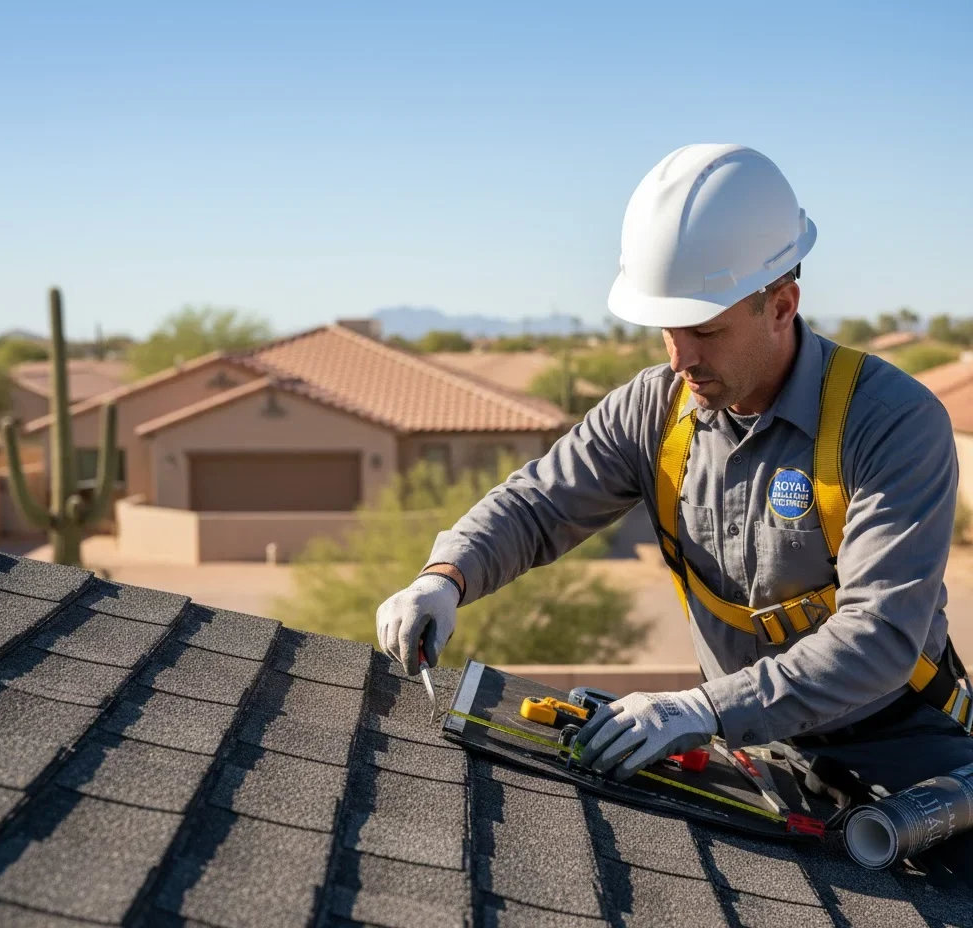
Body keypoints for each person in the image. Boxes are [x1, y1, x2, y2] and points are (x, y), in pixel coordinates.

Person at [375, 143, 972, 878]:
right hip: (750, 754)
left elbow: (879, 637)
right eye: (667, 330)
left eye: (707, 331)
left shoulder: (887, 422)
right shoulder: (656, 413)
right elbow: (537, 504)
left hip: (902, 753)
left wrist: (704, 708)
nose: (680, 357)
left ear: (781, 304)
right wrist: (446, 574)